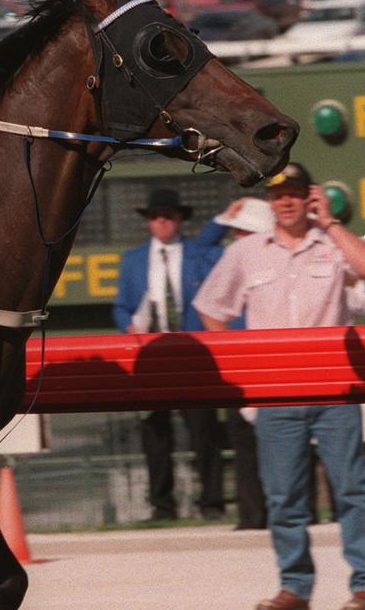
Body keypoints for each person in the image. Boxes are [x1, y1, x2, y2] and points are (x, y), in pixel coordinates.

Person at [194, 162, 365, 610]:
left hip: (336, 389)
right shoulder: (246, 252)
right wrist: (243, 366)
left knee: (353, 490)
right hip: (276, 392)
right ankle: (295, 587)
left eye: (296, 193)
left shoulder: (332, 244)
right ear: (270, 200)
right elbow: (210, 309)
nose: (287, 201)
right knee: (283, 497)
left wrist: (331, 222)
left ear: (309, 196)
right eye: (279, 194)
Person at [113, 188, 228, 521]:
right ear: (148, 222)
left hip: (193, 352)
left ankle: (212, 502)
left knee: (203, 430)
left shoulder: (198, 253)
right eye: (154, 216)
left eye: (167, 215)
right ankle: (162, 506)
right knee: (155, 433)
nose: (161, 222)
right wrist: (129, 328)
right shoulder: (133, 260)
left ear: (179, 219)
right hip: (151, 354)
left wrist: (224, 219)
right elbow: (122, 307)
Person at [212, 197, 275, 531]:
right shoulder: (228, 259)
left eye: (242, 231)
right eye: (236, 231)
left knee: (286, 443)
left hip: (270, 364)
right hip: (239, 366)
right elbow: (202, 246)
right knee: (243, 444)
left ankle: (299, 511)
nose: (235, 236)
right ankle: (252, 516)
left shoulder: (274, 259)